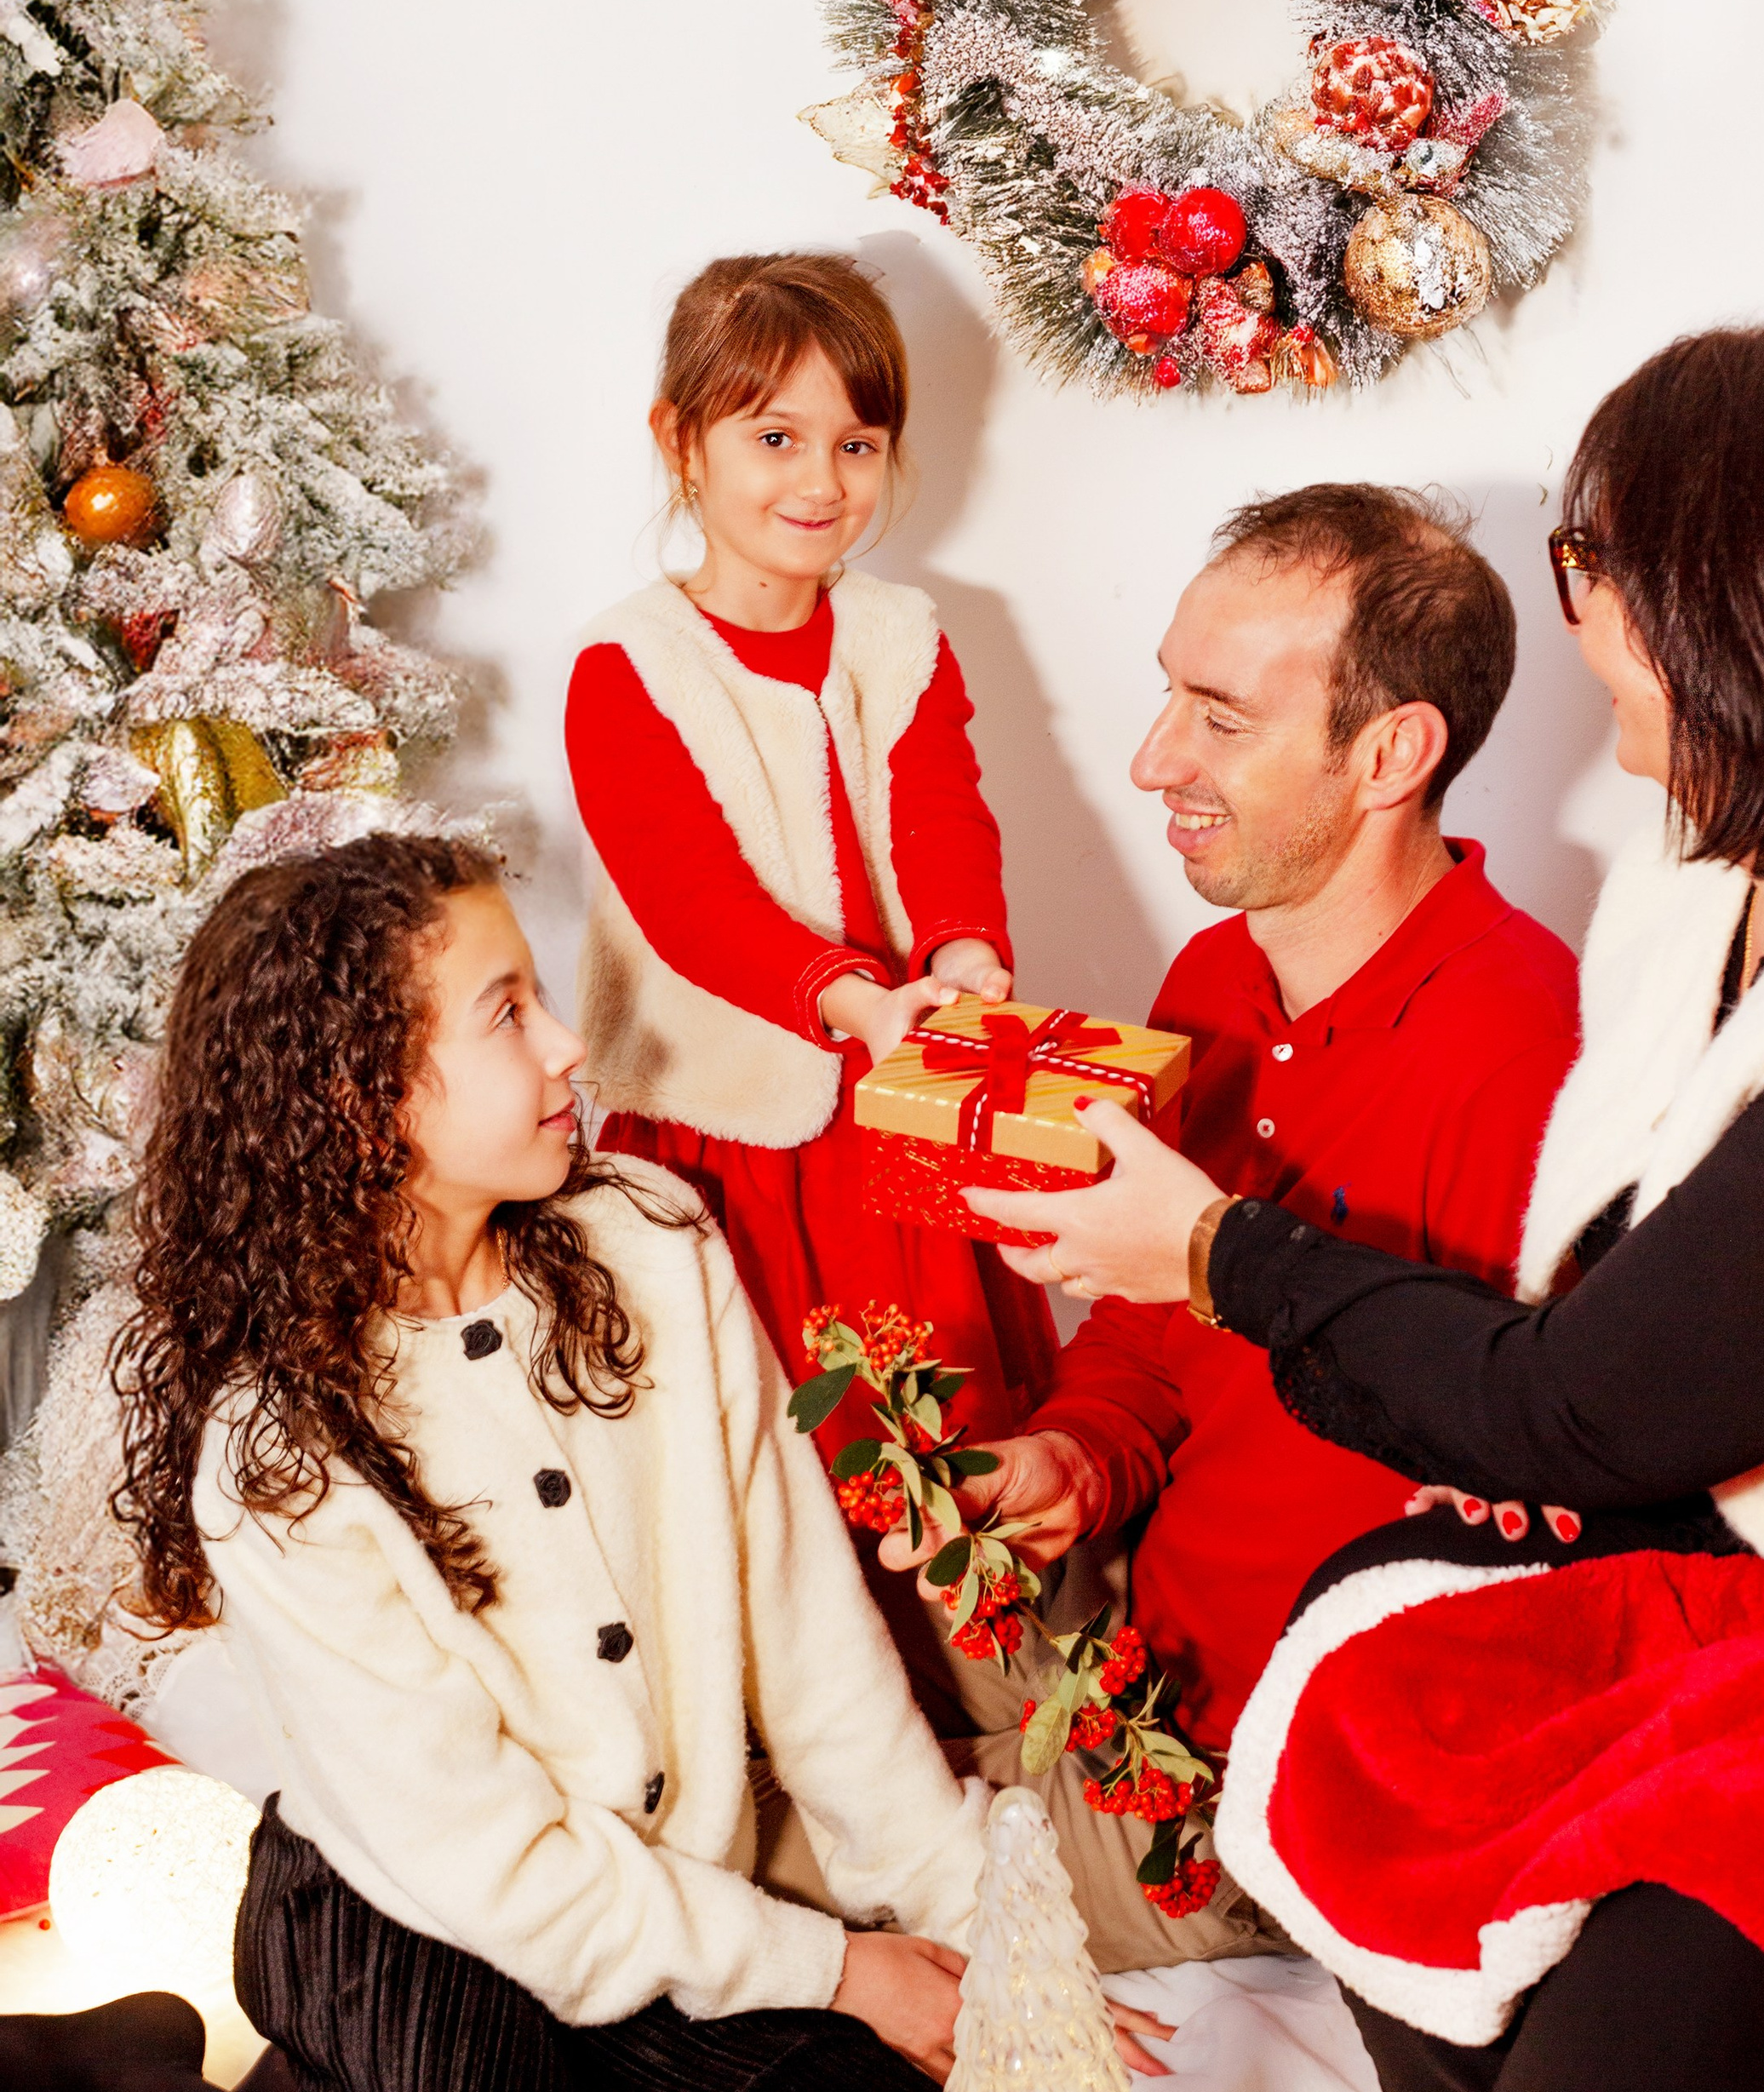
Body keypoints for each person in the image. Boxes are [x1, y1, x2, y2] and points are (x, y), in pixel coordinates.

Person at [968, 324, 1764, 2089]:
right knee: (1386, 1738)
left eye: (1594, 571)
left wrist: (1220, 1252)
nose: (1573, 624)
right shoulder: (1712, 891)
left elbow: (1578, 1400)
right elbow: (1612, 1317)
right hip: (1717, 1570)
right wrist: (1092, 1419)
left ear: (1738, 604)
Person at [107, 834, 1171, 2089]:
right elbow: (494, 1869)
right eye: (509, 1015)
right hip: (419, 1932)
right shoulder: (276, 1448)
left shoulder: (652, 1245)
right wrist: (838, 1969)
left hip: (664, 1911)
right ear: (361, 1094)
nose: (569, 1046)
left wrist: (988, 1939)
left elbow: (810, 1643)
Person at [891, 483, 1581, 1969]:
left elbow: (1500, 1507)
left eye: (1220, 717)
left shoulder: (1522, 1052)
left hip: (1258, 1791)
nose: (1155, 761)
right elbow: (1155, 1321)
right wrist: (1079, 1449)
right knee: (781, 1649)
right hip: (1128, 1627)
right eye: (1168, 699)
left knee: (808, 1872)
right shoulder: (1214, 977)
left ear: (1391, 753)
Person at [563, 253, 1055, 1735]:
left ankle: (978, 1705)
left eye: (856, 442)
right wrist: (846, 997)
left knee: (943, 1402)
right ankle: (797, 1721)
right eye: (773, 437)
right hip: (733, 1125)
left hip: (895, 1096)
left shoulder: (902, 634)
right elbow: (694, 902)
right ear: (680, 443)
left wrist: (964, 952)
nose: (821, 479)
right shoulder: (628, 667)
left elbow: (947, 810)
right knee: (770, 1432)